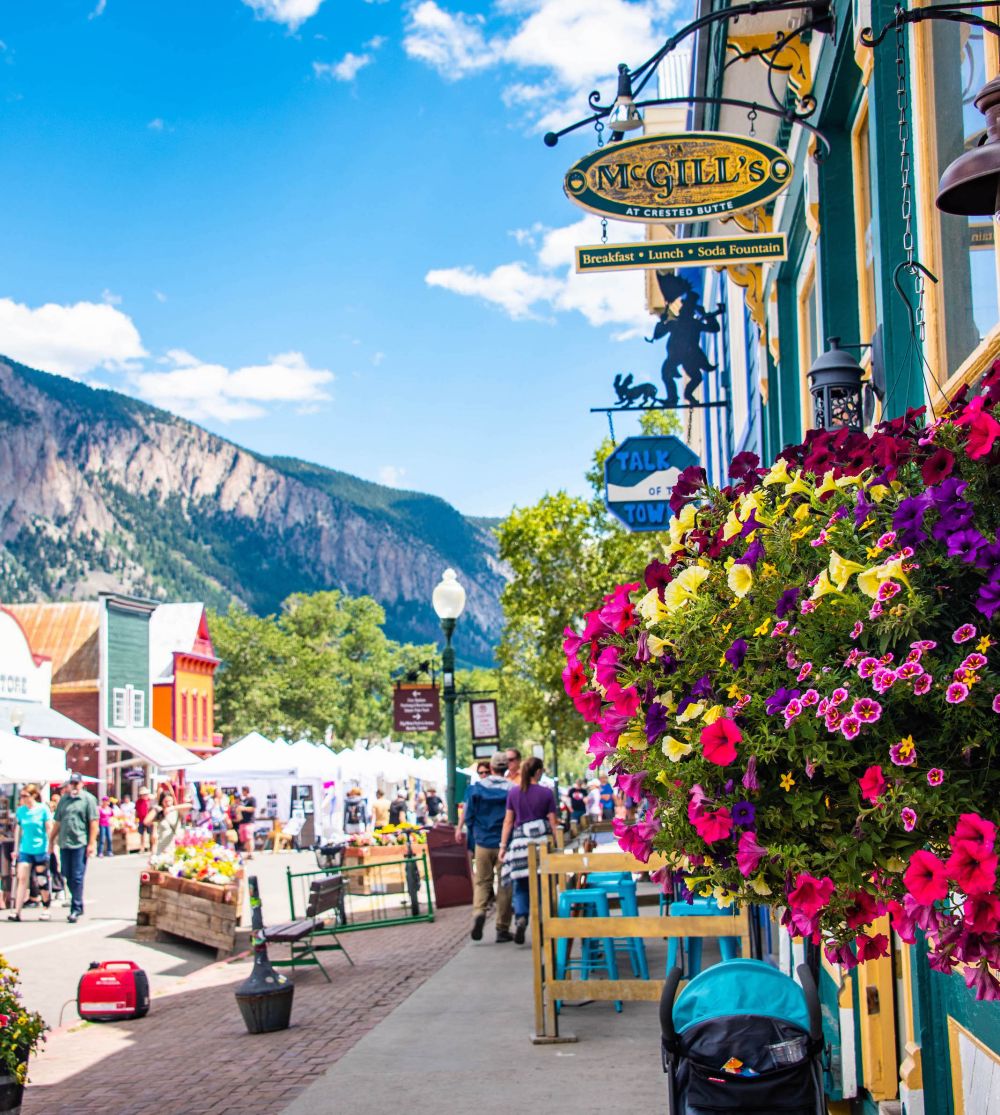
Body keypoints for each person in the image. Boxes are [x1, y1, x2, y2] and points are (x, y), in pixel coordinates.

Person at [499, 757, 558, 944]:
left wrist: (502, 846)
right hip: (541, 843)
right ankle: (540, 924)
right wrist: (558, 844)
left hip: (519, 844)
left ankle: (521, 917)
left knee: (521, 885)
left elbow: (508, 821)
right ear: (538, 771)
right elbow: (553, 822)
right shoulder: (547, 793)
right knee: (542, 885)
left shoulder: (514, 792)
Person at [458, 752, 513, 943]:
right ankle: (502, 928)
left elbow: (469, 815)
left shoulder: (477, 788)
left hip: (482, 841)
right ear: (507, 767)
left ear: (490, 767)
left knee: (482, 882)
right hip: (505, 844)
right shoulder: (512, 789)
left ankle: (479, 912)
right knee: (505, 884)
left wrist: (475, 835)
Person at [49, 772, 98, 923]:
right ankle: (78, 902)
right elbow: (57, 822)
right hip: (65, 842)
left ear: (81, 784)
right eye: (72, 783)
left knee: (77, 876)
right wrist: (51, 840)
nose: (74, 786)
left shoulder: (88, 800)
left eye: (77, 783)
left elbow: (93, 823)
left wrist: (91, 843)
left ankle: (75, 908)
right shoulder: (64, 800)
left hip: (80, 842)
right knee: (66, 873)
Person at [9, 785, 52, 922]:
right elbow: (18, 830)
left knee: (41, 880)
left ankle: (46, 908)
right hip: (25, 849)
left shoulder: (42, 809)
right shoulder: (21, 811)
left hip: (40, 848)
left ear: (33, 795)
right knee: (22, 878)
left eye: (25, 796)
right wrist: (15, 850)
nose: (22, 799)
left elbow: (48, 828)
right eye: (21, 796)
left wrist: (50, 846)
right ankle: (17, 911)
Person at [149, 791, 184, 857]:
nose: (168, 803)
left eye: (170, 801)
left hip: (175, 844)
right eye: (166, 801)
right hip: (162, 845)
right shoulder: (159, 811)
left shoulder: (176, 811)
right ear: (161, 802)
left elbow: (189, 805)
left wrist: (172, 808)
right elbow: (147, 821)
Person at [238, 786, 257, 859]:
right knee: (244, 838)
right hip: (242, 821)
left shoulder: (252, 799)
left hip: (249, 821)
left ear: (246, 791)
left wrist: (244, 808)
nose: (242, 793)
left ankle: (251, 853)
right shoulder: (244, 800)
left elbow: (253, 808)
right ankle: (248, 853)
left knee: (249, 837)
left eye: (243, 791)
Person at [135, 787, 152, 854]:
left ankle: (151, 847)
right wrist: (136, 818)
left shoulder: (149, 801)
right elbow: (137, 811)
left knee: (150, 833)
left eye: (145, 794)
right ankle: (142, 847)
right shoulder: (138, 802)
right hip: (141, 820)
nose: (144, 796)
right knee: (141, 834)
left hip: (149, 819)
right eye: (143, 794)